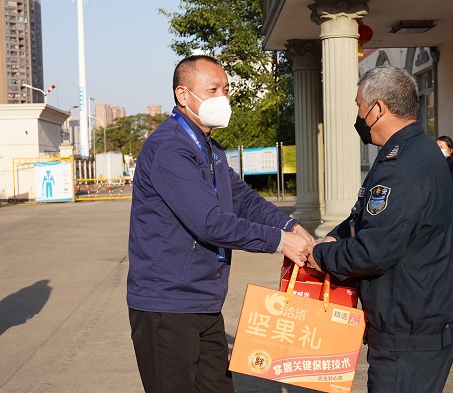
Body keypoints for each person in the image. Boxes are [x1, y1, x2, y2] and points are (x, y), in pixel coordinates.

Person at [126, 55, 315, 393]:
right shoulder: (170, 147)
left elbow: (244, 200)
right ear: (183, 95)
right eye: (212, 89)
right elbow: (210, 223)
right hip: (167, 303)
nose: (222, 98)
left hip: (204, 299)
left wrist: (292, 226)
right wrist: (279, 241)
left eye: (226, 90)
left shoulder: (210, 149)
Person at [308, 65, 453, 392]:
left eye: (358, 105)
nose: (358, 115)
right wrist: (340, 232)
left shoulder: (405, 164)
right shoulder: (403, 152)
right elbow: (365, 216)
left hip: (410, 328)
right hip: (413, 316)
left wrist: (321, 255)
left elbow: (374, 251)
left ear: (377, 108)